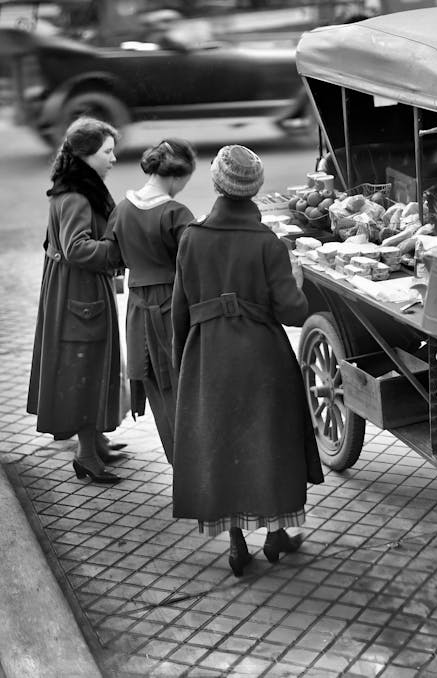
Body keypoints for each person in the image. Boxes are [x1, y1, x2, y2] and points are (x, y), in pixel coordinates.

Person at [171, 144, 324, 576]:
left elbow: (179, 310)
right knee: (270, 444)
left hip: (208, 356)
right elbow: (293, 312)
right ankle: (277, 533)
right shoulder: (268, 244)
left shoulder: (191, 238)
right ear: (254, 190)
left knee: (224, 446)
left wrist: (183, 361)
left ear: (216, 183)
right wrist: (296, 278)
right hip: (262, 357)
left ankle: (237, 542)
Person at [28, 116, 126, 484]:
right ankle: (86, 456)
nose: (113, 158)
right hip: (79, 293)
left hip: (76, 291)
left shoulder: (73, 187)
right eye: (107, 151)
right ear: (86, 155)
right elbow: (76, 248)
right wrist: (117, 251)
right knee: (85, 369)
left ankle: (95, 441)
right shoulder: (77, 195)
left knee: (91, 365)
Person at [104, 138, 196, 465]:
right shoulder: (175, 213)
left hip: (137, 307)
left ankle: (177, 459)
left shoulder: (122, 208)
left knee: (155, 384)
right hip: (172, 303)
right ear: (178, 175)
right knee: (183, 382)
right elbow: (195, 262)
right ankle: (192, 462)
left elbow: (112, 254)